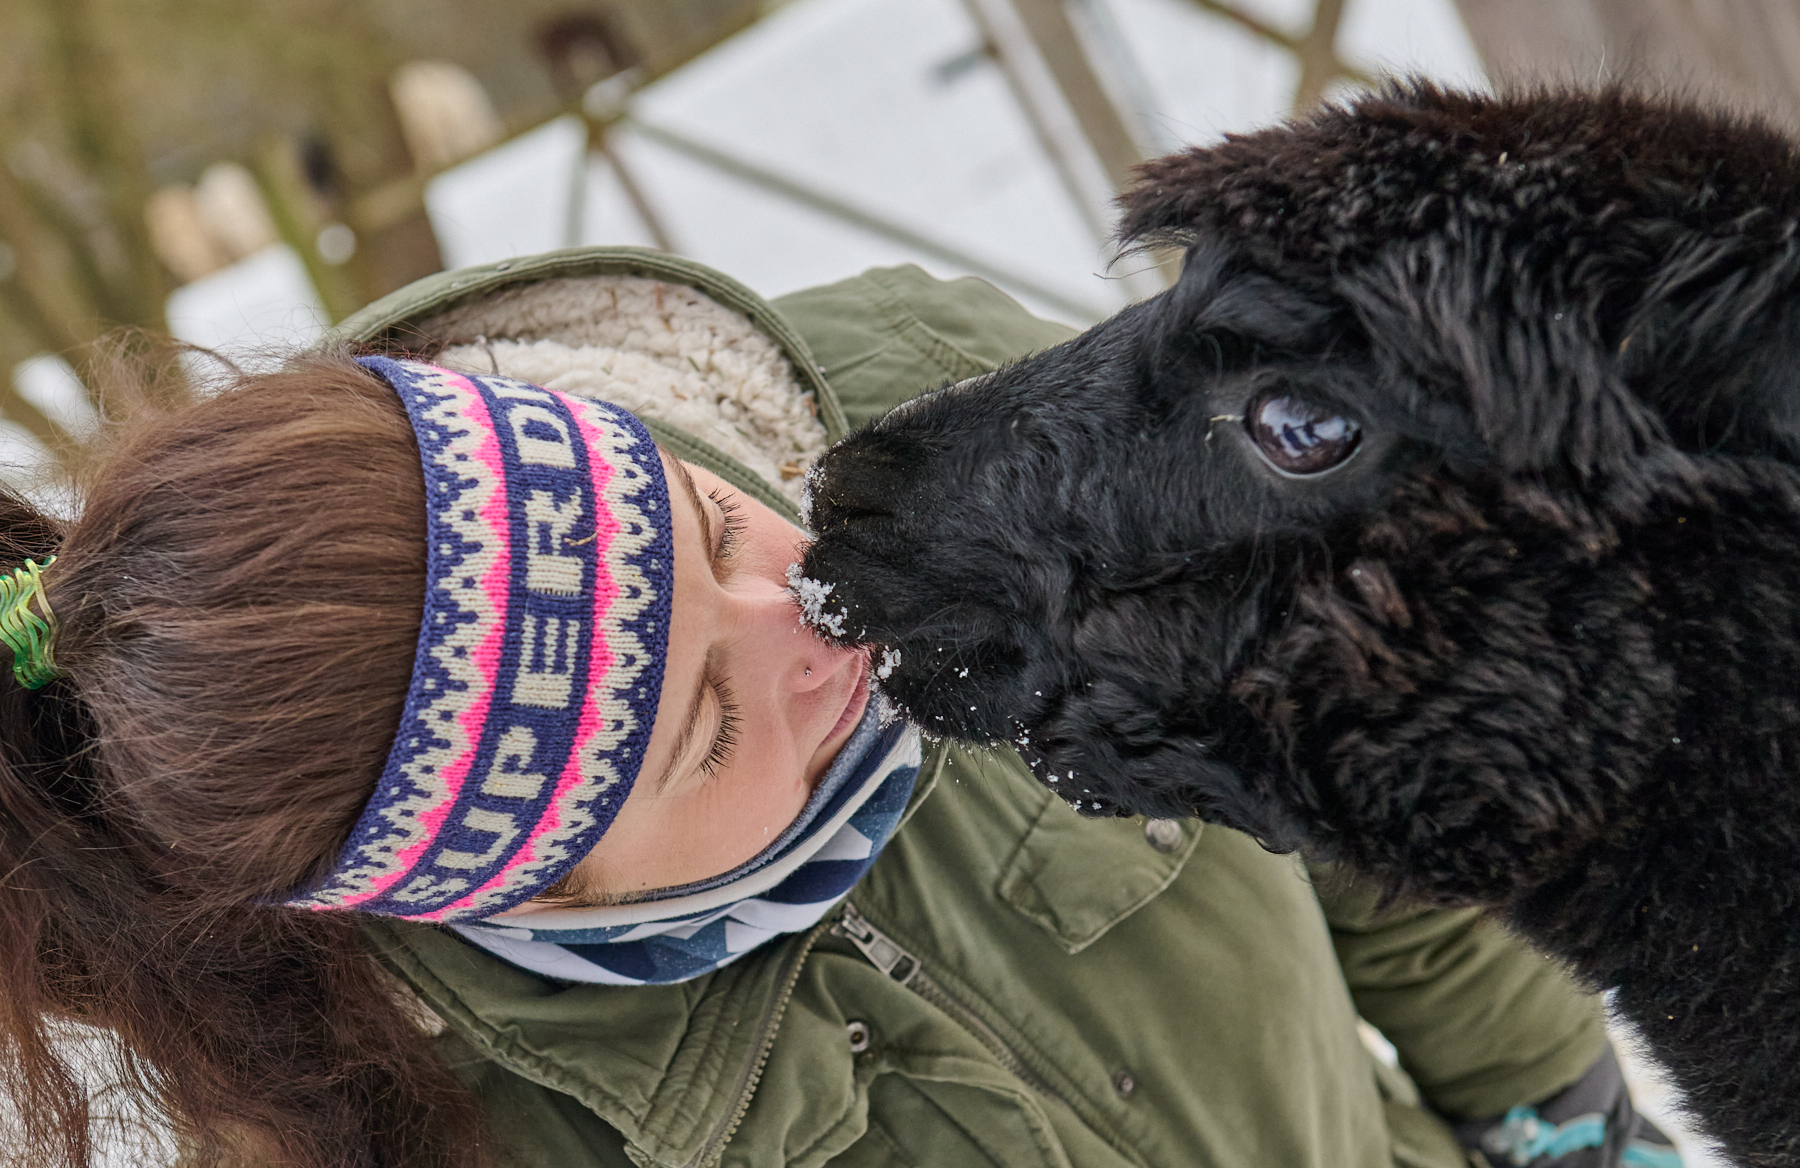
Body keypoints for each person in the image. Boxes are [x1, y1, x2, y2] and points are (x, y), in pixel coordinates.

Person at [0, 248, 1672, 1168]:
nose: (806, 618)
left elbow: (1333, 737)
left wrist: (1552, 1105)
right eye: (702, 733)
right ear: (530, 892)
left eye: (713, 531)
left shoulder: (946, 422)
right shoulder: (410, 1119)